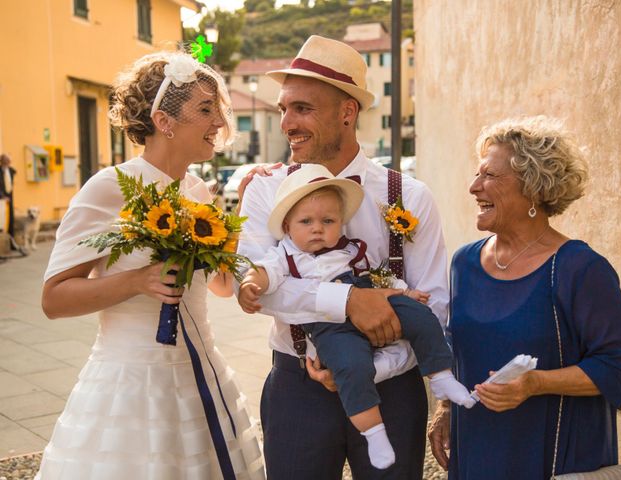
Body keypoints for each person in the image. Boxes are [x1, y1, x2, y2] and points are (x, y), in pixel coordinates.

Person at [36, 51, 264, 479]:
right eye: (205, 110)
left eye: (218, 109)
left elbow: (216, 286)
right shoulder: (107, 188)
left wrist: (238, 219)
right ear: (164, 121)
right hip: (131, 384)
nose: (219, 122)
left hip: (202, 376)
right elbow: (53, 299)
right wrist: (138, 280)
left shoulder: (199, 192)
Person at [237, 35, 449, 479]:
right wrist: (349, 302)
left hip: (393, 391)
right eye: (283, 109)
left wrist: (371, 369)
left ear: (347, 113)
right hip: (297, 388)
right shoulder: (263, 190)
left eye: (303, 109)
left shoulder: (409, 195)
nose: (287, 123)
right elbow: (258, 291)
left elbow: (435, 301)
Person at [427, 116, 621, 479]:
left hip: (552, 454)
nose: (473, 187)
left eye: (489, 176)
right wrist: (446, 407)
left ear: (533, 188)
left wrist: (535, 383)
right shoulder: (464, 263)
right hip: (477, 447)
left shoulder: (580, 268)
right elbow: (455, 345)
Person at [238, 165, 474, 470]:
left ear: (347, 113)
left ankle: (442, 378)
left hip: (395, 386)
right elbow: (257, 275)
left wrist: (403, 295)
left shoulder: (403, 200)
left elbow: (383, 279)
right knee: (349, 360)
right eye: (306, 221)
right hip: (307, 370)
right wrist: (251, 284)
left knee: (423, 316)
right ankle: (374, 433)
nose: (317, 229)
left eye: (328, 221)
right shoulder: (276, 223)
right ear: (287, 226)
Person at [0, 153, 16, 238]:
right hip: (2, 198)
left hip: (10, 196)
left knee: (11, 218)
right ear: (2, 161)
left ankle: (11, 238)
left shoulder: (11, 171)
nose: (8, 163)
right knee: (3, 219)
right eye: (5, 161)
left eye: (9, 161)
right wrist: (2, 196)